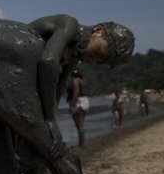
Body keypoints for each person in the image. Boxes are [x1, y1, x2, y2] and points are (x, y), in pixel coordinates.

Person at [28, 15, 134, 153]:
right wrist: (49, 119)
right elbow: (48, 62)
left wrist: (52, 118)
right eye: (99, 54)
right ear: (99, 30)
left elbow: (58, 89)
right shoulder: (70, 25)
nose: (94, 61)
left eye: (101, 62)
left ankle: (81, 142)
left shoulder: (73, 58)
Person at [66, 70, 90, 146]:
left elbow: (76, 92)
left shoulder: (75, 80)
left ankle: (82, 143)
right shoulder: (83, 81)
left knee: (79, 124)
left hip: (78, 101)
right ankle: (81, 142)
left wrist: (73, 104)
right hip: (85, 100)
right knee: (81, 123)